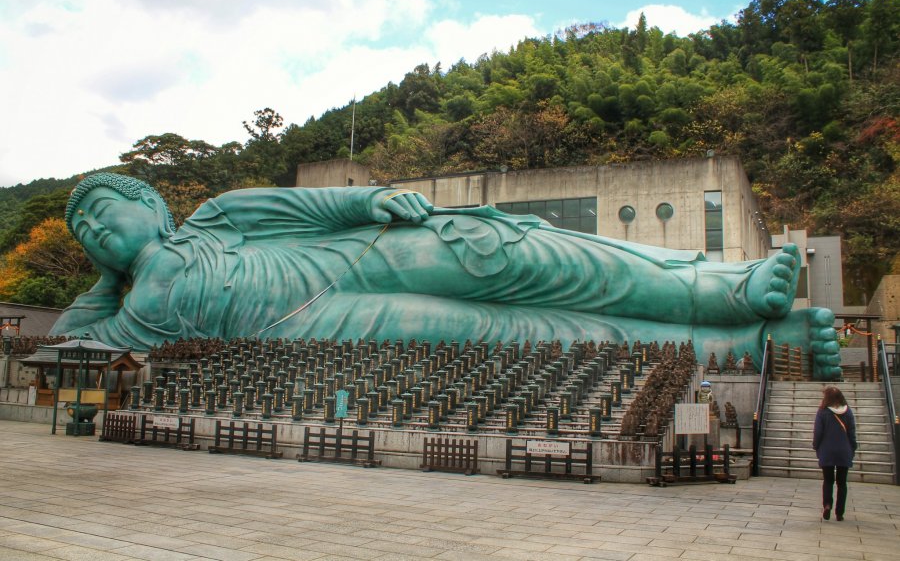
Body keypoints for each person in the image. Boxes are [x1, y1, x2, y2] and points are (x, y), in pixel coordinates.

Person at [51, 173, 842, 378]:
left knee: (524, 256)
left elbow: (316, 205)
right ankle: (763, 340)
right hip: (324, 328)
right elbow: (65, 344)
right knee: (521, 338)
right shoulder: (116, 312)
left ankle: (724, 288)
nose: (93, 230)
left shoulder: (219, 217)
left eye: (101, 213)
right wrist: (102, 277)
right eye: (81, 230)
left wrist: (373, 200)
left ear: (154, 205)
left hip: (353, 255)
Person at [813, 386, 857, 521]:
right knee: (842, 483)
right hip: (844, 451)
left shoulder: (822, 412)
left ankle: (827, 505)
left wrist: (816, 446)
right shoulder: (848, 412)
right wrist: (852, 448)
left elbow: (818, 432)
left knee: (828, 481)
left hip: (827, 451)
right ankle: (840, 513)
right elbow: (851, 433)